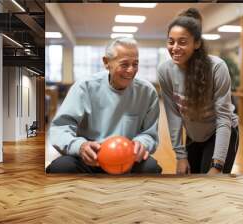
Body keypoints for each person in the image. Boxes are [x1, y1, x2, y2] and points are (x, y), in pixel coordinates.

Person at [47, 37, 162, 174]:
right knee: (60, 167)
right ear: (106, 62)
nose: (131, 70)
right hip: (90, 158)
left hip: (127, 158)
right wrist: (80, 146)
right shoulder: (84, 87)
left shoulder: (147, 92)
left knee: (151, 168)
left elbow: (150, 134)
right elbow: (61, 128)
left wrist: (141, 144)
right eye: (124, 64)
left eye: (135, 64)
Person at [157, 8, 239, 175]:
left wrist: (217, 165)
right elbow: (173, 116)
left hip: (220, 132)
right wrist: (180, 156)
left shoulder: (216, 67)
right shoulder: (165, 71)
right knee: (190, 185)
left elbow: (223, 118)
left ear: (197, 42)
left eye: (182, 41)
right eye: (171, 41)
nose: (175, 48)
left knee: (211, 188)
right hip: (194, 135)